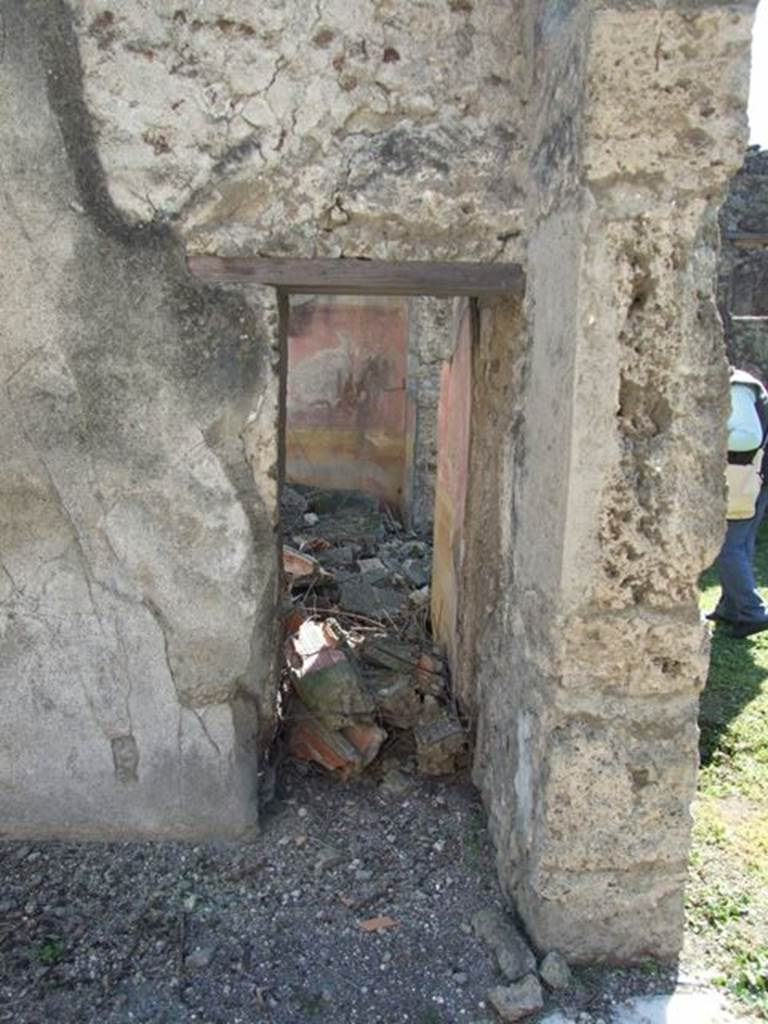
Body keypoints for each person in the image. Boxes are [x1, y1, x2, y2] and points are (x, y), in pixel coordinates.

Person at [709, 367, 768, 638]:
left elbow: (749, 436)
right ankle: (731, 607)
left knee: (727, 547)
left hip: (746, 480)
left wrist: (707, 441)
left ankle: (752, 611)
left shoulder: (737, 388)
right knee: (741, 543)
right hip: (754, 479)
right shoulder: (741, 385)